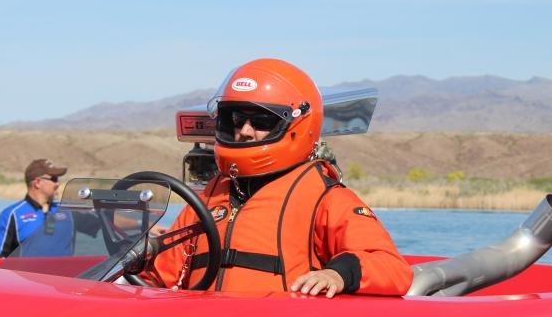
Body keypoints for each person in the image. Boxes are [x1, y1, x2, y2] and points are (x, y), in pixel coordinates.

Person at [146, 58, 412, 297]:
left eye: (261, 121)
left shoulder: (325, 198)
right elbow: (161, 274)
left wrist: (337, 274)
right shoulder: (211, 196)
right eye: (237, 119)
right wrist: (141, 251)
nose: (245, 132)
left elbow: (393, 268)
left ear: (296, 125)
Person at [0, 158, 68, 258]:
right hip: (26, 268)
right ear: (37, 182)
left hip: (63, 268)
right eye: (54, 179)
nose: (58, 184)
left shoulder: (67, 210)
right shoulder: (12, 214)